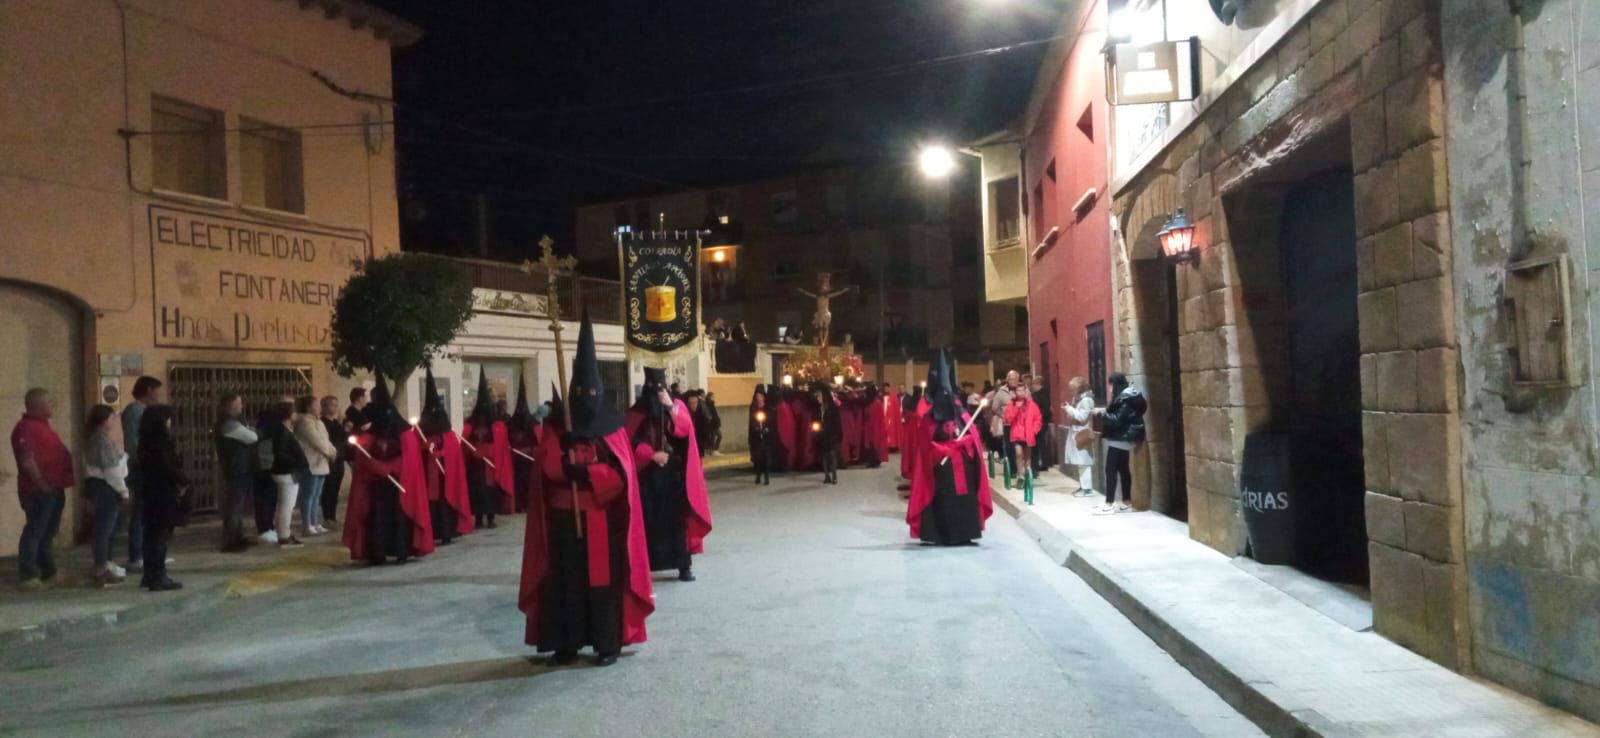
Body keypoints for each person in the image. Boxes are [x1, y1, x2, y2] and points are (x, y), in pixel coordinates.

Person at [520, 315, 654, 666]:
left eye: (591, 392)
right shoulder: (557, 427)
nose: (586, 397)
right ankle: (566, 643)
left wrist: (589, 472)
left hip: (599, 520)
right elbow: (545, 469)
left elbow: (621, 475)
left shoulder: (612, 429)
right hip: (563, 522)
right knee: (564, 583)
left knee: (601, 583)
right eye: (580, 392)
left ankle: (606, 643)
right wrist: (564, 463)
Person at [626, 367, 713, 582]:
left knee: (677, 524)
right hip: (646, 477)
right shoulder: (635, 413)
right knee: (647, 523)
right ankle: (644, 567)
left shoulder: (676, 406)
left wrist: (670, 406)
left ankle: (683, 566)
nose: (657, 392)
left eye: (661, 388)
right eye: (652, 388)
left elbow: (684, 431)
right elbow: (629, 442)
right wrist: (651, 455)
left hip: (672, 478)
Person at [343, 372, 433, 564]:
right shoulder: (373, 434)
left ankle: (401, 550)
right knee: (377, 519)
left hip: (400, 486)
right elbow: (363, 455)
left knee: (399, 520)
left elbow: (410, 460)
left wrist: (390, 467)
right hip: (378, 486)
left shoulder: (405, 434)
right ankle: (378, 552)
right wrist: (376, 467)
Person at [907, 353, 992, 545]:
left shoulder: (961, 413)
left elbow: (974, 438)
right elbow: (924, 446)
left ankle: (965, 533)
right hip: (941, 469)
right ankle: (941, 534)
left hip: (963, 466)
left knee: (963, 499)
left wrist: (963, 444)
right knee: (942, 499)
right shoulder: (930, 417)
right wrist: (941, 450)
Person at [11, 389, 75, 589]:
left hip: (54, 488)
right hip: (38, 491)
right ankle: (28, 573)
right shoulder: (25, 428)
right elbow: (27, 460)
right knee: (35, 531)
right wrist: (42, 485)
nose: (53, 405)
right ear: (37, 405)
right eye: (49, 402)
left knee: (47, 533)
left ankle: (48, 571)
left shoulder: (43, 427)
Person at [136, 405, 187, 591]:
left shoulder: (145, 441)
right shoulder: (161, 442)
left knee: (151, 535)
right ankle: (158, 576)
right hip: (163, 493)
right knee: (160, 536)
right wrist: (183, 481)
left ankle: (150, 575)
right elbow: (168, 467)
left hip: (150, 493)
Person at [419, 365, 472, 545]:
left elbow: (453, 453)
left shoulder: (449, 435)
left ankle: (448, 532)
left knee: (444, 503)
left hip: (445, 478)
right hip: (429, 477)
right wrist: (425, 448)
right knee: (431, 504)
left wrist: (440, 453)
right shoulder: (422, 433)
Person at [120, 376, 165, 573]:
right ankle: (136, 554)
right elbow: (133, 442)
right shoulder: (134, 411)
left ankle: (150, 552)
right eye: (157, 390)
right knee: (140, 512)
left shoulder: (146, 411)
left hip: (150, 465)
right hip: (141, 467)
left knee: (150, 512)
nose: (159, 394)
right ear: (148, 390)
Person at [81, 404, 129, 584]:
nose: (113, 420)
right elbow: (112, 469)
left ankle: (103, 565)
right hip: (106, 486)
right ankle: (101, 567)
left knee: (103, 528)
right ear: (104, 420)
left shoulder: (93, 438)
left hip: (98, 485)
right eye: (111, 417)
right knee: (104, 529)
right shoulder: (101, 440)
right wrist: (123, 491)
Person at [463, 369, 514, 529]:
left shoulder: (497, 425)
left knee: (490, 491)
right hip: (475, 466)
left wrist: (487, 452)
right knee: (477, 491)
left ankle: (491, 517)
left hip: (491, 466)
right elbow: (465, 441)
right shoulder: (470, 424)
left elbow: (501, 446)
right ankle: (478, 517)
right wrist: (473, 452)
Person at [1096, 373, 1147, 514]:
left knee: (1110, 469)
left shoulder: (1125, 398)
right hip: (1125, 436)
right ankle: (1126, 502)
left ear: (1116, 384)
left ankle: (1109, 503)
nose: (1110, 388)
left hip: (1121, 437)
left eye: (1111, 384)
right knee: (1123, 468)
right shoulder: (1131, 395)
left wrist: (1100, 414)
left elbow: (1117, 419)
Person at [214, 394, 259, 552]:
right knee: (234, 506)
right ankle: (229, 541)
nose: (242, 406)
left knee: (237, 506)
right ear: (231, 406)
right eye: (239, 403)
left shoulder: (232, 422)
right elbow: (253, 437)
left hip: (239, 468)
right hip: (236, 469)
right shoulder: (228, 424)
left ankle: (238, 536)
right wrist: (250, 431)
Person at [263, 399, 308, 548]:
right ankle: (284, 536)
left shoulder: (284, 430)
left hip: (285, 472)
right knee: (286, 506)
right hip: (287, 473)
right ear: (290, 415)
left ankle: (284, 533)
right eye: (294, 412)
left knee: (285, 505)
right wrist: (296, 462)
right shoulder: (282, 432)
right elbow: (281, 453)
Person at [293, 395, 339, 536]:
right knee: (308, 495)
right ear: (308, 407)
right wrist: (328, 452)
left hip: (322, 462)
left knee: (317, 495)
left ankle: (315, 522)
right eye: (316, 405)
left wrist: (333, 451)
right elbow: (316, 441)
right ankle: (307, 525)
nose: (319, 408)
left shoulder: (319, 422)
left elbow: (326, 439)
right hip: (310, 462)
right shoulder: (305, 422)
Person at [506, 373, 541, 514]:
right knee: (518, 483)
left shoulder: (533, 424)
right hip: (515, 459)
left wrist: (532, 452)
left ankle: (528, 503)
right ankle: (520, 504)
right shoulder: (511, 424)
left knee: (528, 483)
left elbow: (539, 441)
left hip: (529, 460)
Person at [1062, 377, 1098, 499]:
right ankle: (1083, 486)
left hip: (1082, 433)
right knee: (1080, 462)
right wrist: (1070, 409)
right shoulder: (1078, 399)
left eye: (1073, 388)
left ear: (1079, 388)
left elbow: (1082, 417)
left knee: (1084, 462)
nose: (1071, 391)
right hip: (1076, 432)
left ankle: (1087, 489)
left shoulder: (1086, 400)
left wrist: (1070, 409)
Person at [1005, 386, 1042, 489]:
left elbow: (1038, 418)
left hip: (1028, 434)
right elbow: (1008, 419)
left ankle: (1027, 474)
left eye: (1022, 390)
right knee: (1019, 454)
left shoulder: (1032, 405)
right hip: (1017, 434)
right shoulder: (1011, 405)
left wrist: (1034, 430)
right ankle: (1020, 476)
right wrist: (1016, 408)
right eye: (1018, 390)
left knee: (1027, 457)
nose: (1020, 392)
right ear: (1015, 392)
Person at [319, 396, 346, 525]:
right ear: (324, 407)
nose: (334, 408)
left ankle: (332, 516)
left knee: (335, 489)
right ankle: (327, 517)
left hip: (339, 459)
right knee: (328, 489)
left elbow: (343, 439)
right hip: (329, 459)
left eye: (336, 405)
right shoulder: (322, 423)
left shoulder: (337, 423)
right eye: (331, 405)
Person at [813, 384, 843, 485]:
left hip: (831, 434)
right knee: (824, 456)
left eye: (819, 396)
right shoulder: (818, 408)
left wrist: (837, 434)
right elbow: (816, 421)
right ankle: (826, 476)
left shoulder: (832, 408)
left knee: (832, 455)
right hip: (822, 434)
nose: (818, 398)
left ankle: (834, 476)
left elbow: (837, 422)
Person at [748, 385, 776, 485]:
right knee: (759, 457)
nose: (759, 398)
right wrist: (755, 429)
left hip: (767, 436)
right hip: (757, 437)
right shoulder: (753, 408)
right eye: (757, 396)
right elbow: (751, 422)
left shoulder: (768, 408)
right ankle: (758, 475)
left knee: (767, 457)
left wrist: (768, 429)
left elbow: (772, 421)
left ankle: (767, 477)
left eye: (760, 396)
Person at [1030, 375, 1054, 475]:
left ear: (1038, 384)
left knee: (1039, 443)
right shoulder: (1040, 394)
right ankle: (1041, 463)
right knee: (1040, 443)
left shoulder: (1041, 395)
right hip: (1041, 421)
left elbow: (1043, 408)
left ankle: (1043, 463)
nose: (1032, 386)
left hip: (1040, 421)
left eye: (1034, 384)